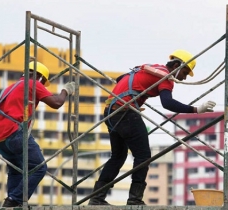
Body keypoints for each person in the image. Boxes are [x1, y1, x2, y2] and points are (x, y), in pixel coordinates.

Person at [89, 49, 216, 205]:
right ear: (176, 65)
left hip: (111, 112)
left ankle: (96, 199)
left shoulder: (151, 68)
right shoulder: (165, 76)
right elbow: (167, 103)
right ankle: (134, 200)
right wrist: (196, 109)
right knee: (143, 157)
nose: (183, 78)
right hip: (126, 113)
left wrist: (135, 96)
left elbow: (121, 78)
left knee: (117, 157)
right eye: (184, 72)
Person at [0, 60, 75, 207]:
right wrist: (65, 91)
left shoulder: (10, 87)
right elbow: (56, 103)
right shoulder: (32, 84)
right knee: (39, 167)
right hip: (14, 133)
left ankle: (12, 204)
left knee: (17, 171)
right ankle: (15, 200)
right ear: (40, 77)